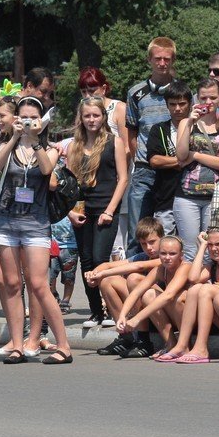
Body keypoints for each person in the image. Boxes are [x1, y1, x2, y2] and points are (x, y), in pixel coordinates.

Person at [0, 96, 72, 365]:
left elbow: (47, 169)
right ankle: (17, 344)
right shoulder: (7, 144)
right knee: (12, 284)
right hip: (7, 223)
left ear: (42, 121)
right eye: (22, 117)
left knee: (39, 284)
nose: (26, 122)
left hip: (36, 224)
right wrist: (14, 137)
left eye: (32, 118)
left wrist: (35, 139)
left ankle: (63, 346)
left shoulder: (49, 147)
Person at [66, 95, 128, 328]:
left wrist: (110, 211)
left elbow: (122, 179)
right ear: (81, 119)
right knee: (87, 260)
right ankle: (95, 312)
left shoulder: (115, 142)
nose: (92, 120)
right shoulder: (74, 145)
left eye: (96, 115)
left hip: (105, 208)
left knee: (101, 261)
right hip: (82, 210)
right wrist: (70, 211)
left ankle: (112, 310)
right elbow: (68, 184)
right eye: (87, 116)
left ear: (103, 117)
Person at [153, 227, 219, 364]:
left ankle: (201, 348)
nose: (214, 249)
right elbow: (193, 278)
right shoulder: (212, 266)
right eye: (210, 245)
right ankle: (182, 344)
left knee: (205, 290)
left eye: (218, 244)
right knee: (195, 288)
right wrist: (202, 247)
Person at [124, 37, 177, 254]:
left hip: (172, 170)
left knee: (170, 234)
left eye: (167, 59)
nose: (162, 63)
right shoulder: (136, 93)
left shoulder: (181, 92)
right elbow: (132, 131)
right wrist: (142, 158)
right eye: (158, 59)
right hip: (145, 170)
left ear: (173, 60)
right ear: (149, 60)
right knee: (138, 234)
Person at [92, 218, 165, 357]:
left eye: (152, 242)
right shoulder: (143, 256)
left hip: (163, 311)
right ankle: (125, 336)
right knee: (107, 281)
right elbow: (108, 265)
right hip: (144, 310)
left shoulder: (166, 256)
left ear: (162, 238)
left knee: (134, 278)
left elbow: (139, 266)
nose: (149, 248)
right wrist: (94, 274)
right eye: (144, 244)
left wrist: (103, 272)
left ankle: (143, 341)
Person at [115, 236, 199, 351]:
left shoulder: (185, 267)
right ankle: (171, 344)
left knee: (179, 297)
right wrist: (122, 316)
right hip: (175, 316)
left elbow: (168, 295)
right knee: (148, 295)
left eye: (172, 254)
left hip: (193, 319)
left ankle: (185, 346)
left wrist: (137, 318)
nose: (167, 258)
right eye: (163, 254)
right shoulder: (160, 269)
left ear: (181, 255)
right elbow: (136, 292)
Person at [173, 78, 219, 252]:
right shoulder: (186, 123)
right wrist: (189, 122)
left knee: (212, 250)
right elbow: (180, 156)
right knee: (190, 249)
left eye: (212, 98)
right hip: (188, 194)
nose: (208, 103)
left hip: (216, 195)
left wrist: (195, 155)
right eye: (203, 98)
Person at [146, 80, 192, 242]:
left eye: (182, 104)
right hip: (166, 199)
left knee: (192, 247)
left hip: (194, 198)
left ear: (190, 103)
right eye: (172, 104)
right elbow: (155, 160)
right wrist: (184, 160)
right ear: (166, 105)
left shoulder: (199, 128)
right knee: (166, 248)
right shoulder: (159, 129)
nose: (177, 109)